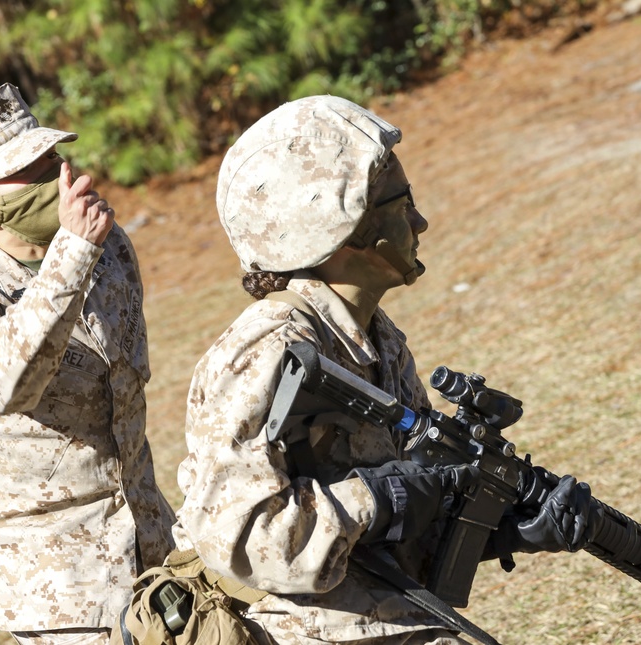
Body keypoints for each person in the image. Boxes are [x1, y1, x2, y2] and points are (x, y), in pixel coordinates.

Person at [168, 95, 595, 644]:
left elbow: (408, 508)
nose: (421, 220)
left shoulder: (377, 336)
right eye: (401, 203)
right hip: (279, 624)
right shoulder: (265, 352)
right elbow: (243, 538)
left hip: (360, 606)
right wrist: (377, 498)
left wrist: (505, 528)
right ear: (339, 227)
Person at [0, 83, 175, 644]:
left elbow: (113, 392)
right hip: (61, 590)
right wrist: (72, 252)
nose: (58, 174)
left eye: (52, 155)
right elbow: (5, 384)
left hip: (154, 552)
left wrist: (7, 450)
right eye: (31, 170)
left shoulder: (109, 247)